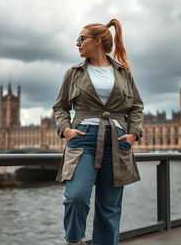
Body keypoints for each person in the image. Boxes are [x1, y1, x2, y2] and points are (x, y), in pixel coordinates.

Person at [52, 18, 144, 245]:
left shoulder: (124, 73)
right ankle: (74, 241)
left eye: (81, 39)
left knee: (109, 207)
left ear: (98, 41)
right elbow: (60, 107)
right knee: (76, 197)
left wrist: (133, 134)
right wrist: (65, 130)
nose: (77, 43)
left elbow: (137, 107)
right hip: (83, 139)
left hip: (117, 139)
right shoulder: (73, 73)